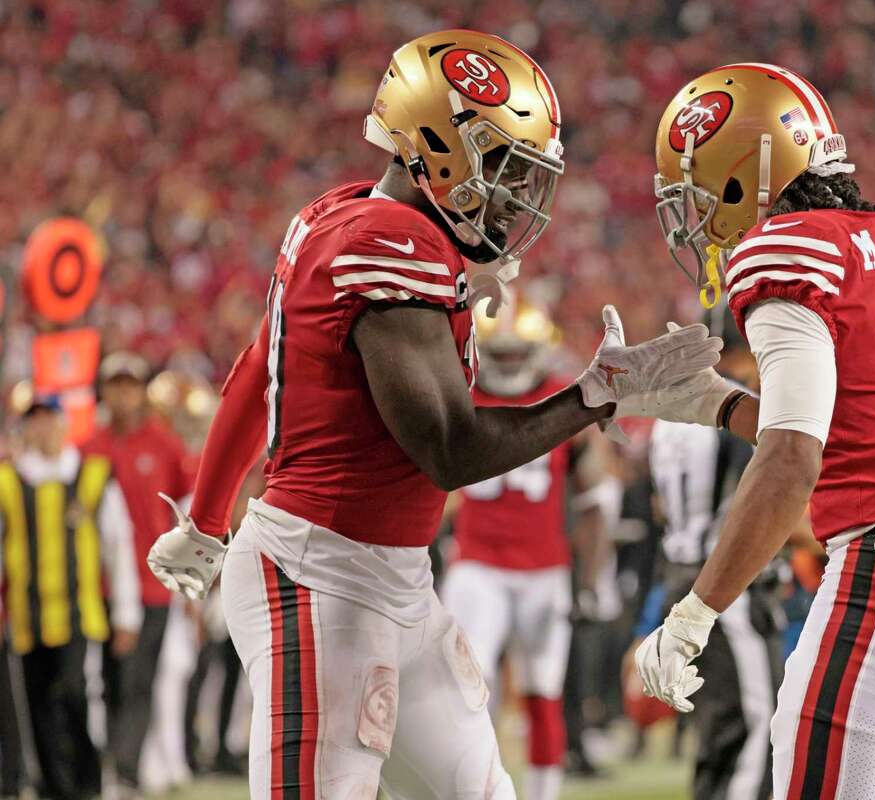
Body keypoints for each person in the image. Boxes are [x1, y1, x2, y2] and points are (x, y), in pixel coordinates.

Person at [143, 29, 721, 800]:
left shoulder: (336, 214)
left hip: (395, 579)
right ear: (439, 151)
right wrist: (596, 394)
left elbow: (257, 372)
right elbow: (450, 448)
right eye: (505, 164)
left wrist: (209, 518)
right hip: (318, 578)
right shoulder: (389, 240)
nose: (517, 189)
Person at [632, 62, 875, 799]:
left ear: (748, 173)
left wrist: (695, 613)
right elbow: (857, 425)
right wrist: (716, 402)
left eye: (706, 188)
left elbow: (791, 460)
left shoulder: (785, 254)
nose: (700, 215)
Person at [439, 298, 614, 800]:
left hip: (541, 570)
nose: (511, 361)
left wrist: (588, 579)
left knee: (542, 691)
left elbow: (595, 500)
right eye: (503, 352)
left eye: (520, 352)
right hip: (479, 565)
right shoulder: (466, 398)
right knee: (469, 693)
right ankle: (474, 789)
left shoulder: (561, 401)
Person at [645, 312, 783, 800]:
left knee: (717, 738)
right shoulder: (737, 408)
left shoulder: (669, 417)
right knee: (756, 728)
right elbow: (761, 499)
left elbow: (660, 506)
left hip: (680, 575)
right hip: (723, 586)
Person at [0, 397, 142, 800]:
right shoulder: (9, 481)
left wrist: (126, 614)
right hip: (27, 617)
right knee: (37, 704)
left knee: (76, 694)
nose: (43, 429)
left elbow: (119, 546)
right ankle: (53, 786)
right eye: (35, 421)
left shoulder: (92, 475)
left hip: (81, 614)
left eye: (50, 420)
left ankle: (88, 781)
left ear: (64, 425)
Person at [84, 352, 194, 795]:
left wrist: (187, 582)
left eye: (130, 384)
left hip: (154, 584)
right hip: (99, 585)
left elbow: (187, 514)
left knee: (139, 678)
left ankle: (125, 770)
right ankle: (113, 762)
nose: (123, 393)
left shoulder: (165, 445)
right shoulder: (88, 446)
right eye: (116, 384)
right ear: (105, 391)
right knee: (106, 679)